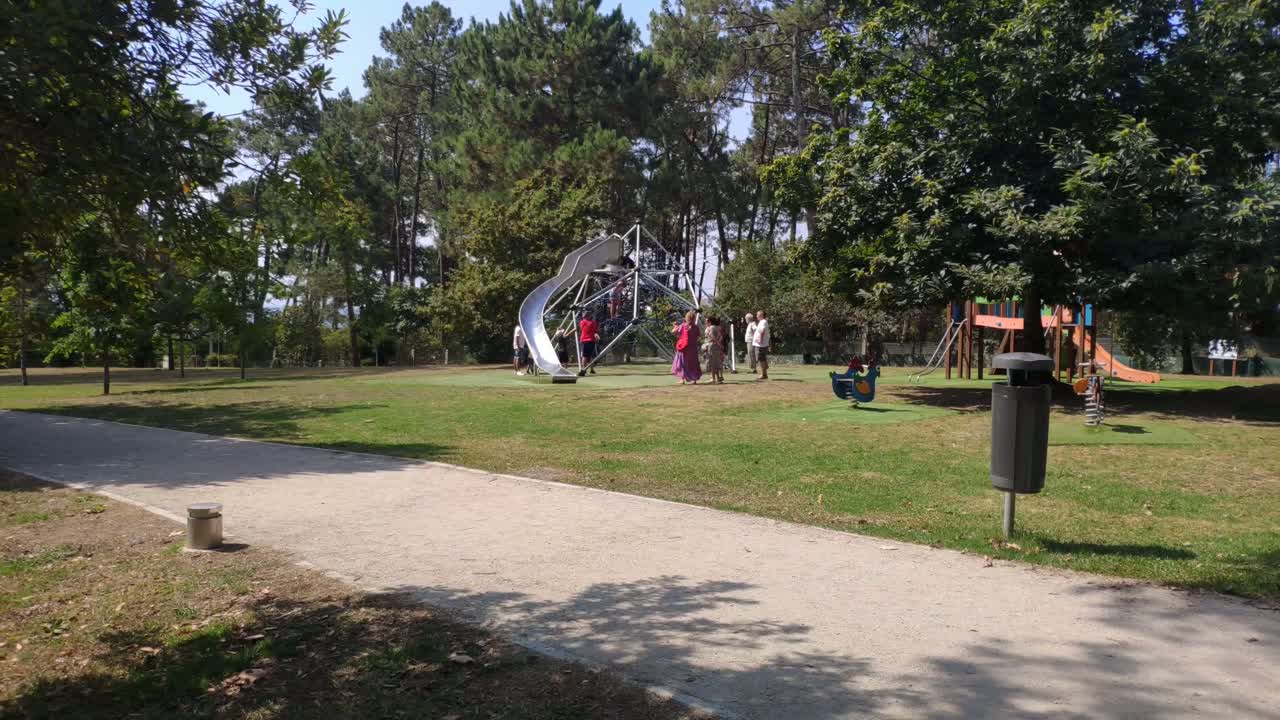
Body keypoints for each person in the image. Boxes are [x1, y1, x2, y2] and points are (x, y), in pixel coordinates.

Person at [670, 310, 702, 384]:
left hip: (684, 347)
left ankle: (683, 379)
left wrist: (675, 326)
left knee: (683, 363)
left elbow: (673, 331)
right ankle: (694, 379)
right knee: (693, 363)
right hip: (693, 348)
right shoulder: (696, 327)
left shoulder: (683, 326)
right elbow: (698, 335)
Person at [703, 316, 725, 384]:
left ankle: (713, 378)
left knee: (712, 362)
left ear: (710, 321)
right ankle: (718, 378)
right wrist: (719, 344)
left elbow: (712, 336)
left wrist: (718, 344)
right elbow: (721, 336)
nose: (705, 322)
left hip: (712, 345)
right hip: (715, 345)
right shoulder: (715, 327)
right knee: (716, 361)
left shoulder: (711, 327)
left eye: (707, 321)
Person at [752, 309, 770, 380]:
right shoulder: (762, 322)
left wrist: (760, 340)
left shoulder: (763, 321)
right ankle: (765, 368)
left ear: (761, 315)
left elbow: (762, 331)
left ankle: (763, 374)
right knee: (762, 358)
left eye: (757, 314)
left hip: (761, 344)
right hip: (760, 344)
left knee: (761, 359)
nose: (756, 316)